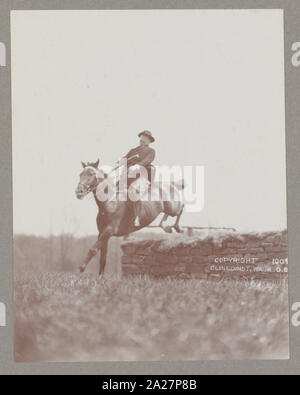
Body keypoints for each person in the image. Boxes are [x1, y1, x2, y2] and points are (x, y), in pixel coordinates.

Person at [118, 130, 156, 226]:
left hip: (142, 175)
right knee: (116, 187)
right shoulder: (133, 150)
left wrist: (138, 165)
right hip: (128, 175)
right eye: (142, 137)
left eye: (145, 138)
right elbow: (125, 158)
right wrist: (121, 160)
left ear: (149, 141)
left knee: (133, 191)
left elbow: (148, 160)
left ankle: (137, 217)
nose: (142, 139)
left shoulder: (151, 151)